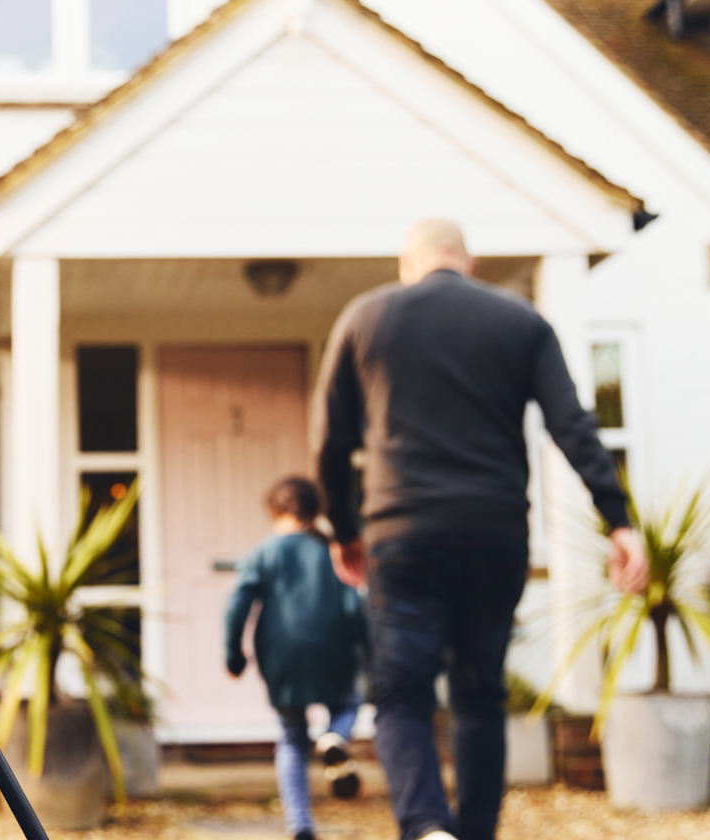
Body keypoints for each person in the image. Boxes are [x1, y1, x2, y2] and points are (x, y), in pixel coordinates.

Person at [312, 220, 648, 840]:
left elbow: (330, 442)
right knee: (478, 694)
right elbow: (570, 423)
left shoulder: (367, 317)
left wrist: (343, 529)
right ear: (468, 262)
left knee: (403, 694)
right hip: (494, 535)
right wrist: (618, 519)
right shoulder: (520, 320)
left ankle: (426, 826)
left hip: (402, 534)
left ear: (406, 265)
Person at [225, 476, 370, 840]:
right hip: (333, 648)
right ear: (315, 510)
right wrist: (364, 648)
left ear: (274, 511)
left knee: (291, 736)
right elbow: (354, 605)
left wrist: (234, 655)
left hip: (280, 655)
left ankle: (301, 825)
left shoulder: (263, 553)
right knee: (348, 703)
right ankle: (335, 737)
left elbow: (236, 606)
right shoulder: (331, 550)